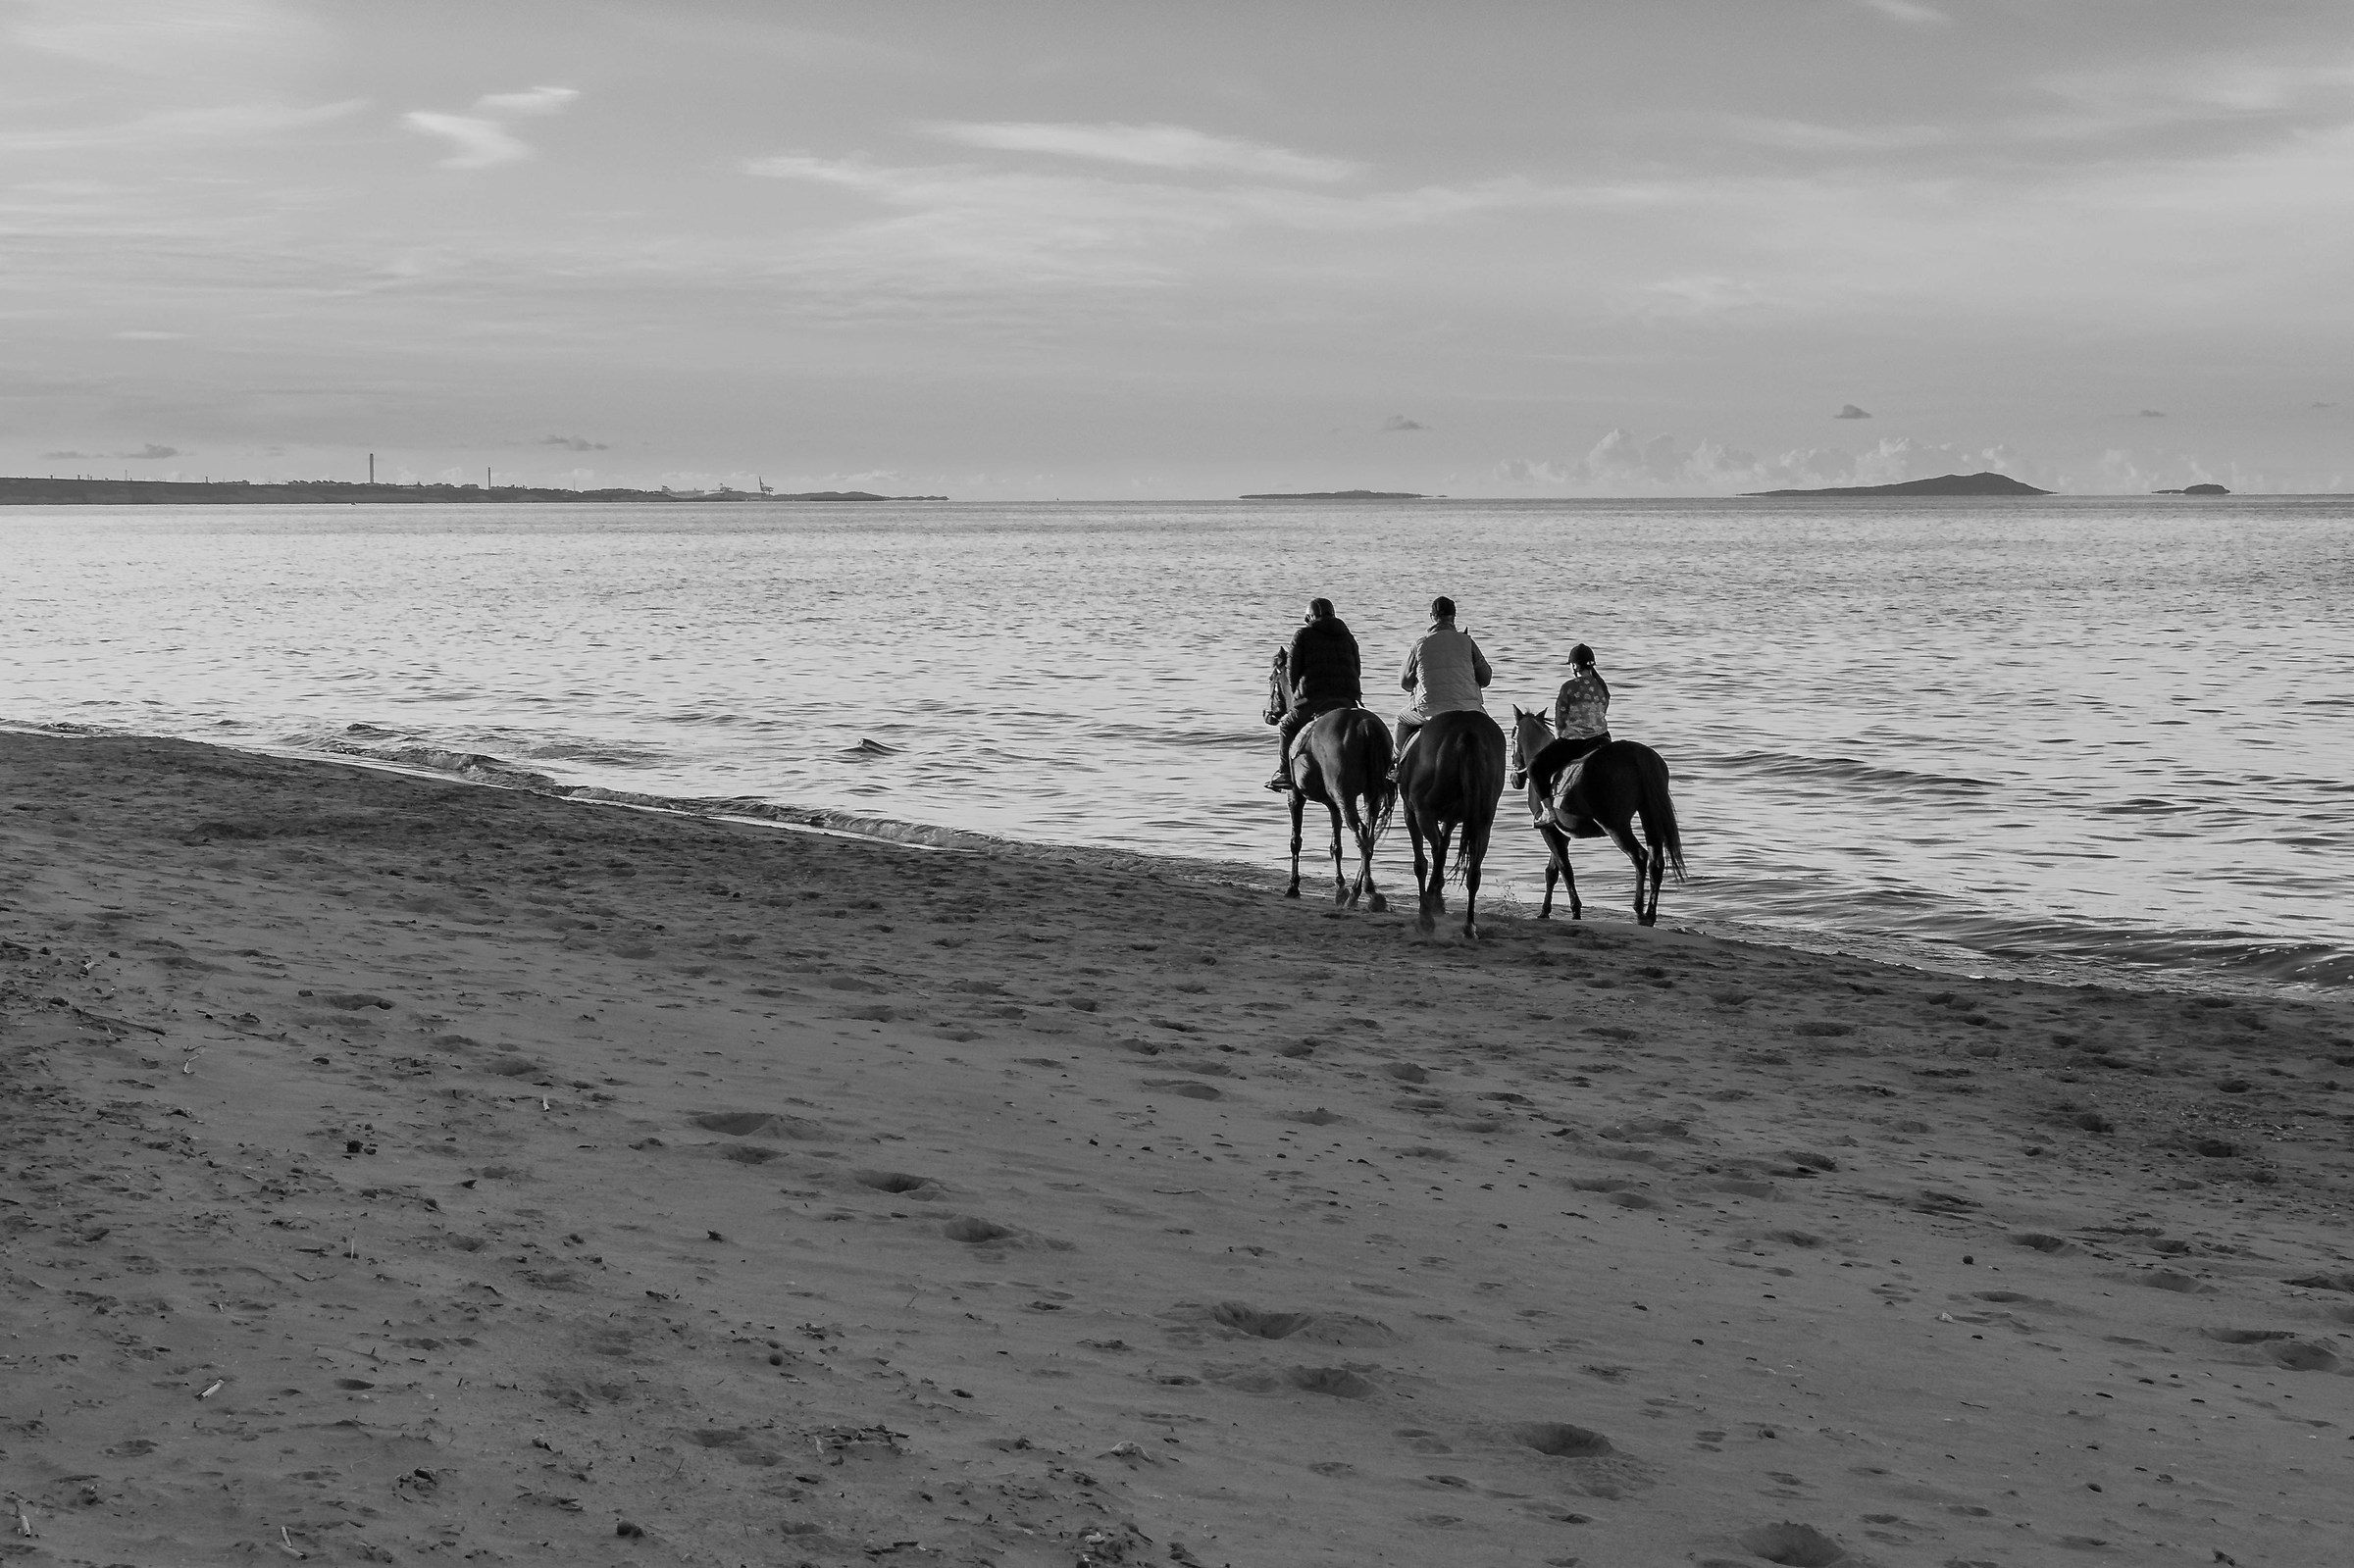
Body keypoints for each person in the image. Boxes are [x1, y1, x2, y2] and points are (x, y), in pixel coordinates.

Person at [1264, 597, 1364, 791]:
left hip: (1314, 700)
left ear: (1309, 617)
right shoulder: (1347, 636)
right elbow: (1357, 668)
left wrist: (1296, 697)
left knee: (1286, 725)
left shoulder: (1302, 635)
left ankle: (1284, 772)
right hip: (1347, 699)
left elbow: (1292, 672)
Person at [1393, 595, 1492, 764]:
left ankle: (1397, 766)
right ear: (1454, 616)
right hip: (1469, 709)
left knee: (1401, 720)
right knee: (1490, 731)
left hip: (1428, 711)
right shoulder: (1467, 642)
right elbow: (1486, 678)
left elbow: (1405, 684)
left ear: (1432, 617)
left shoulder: (1420, 644)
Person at [1552, 643, 1612, 744]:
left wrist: (1558, 738)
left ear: (1575, 666)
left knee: (1538, 760)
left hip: (1575, 740)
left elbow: (1560, 721)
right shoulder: (1601, 686)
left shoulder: (1569, 687)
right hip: (1602, 736)